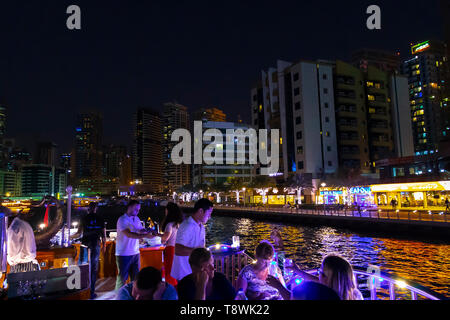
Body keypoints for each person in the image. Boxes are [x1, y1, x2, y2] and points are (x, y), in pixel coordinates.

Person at [171, 198, 213, 282]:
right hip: (184, 272)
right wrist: (199, 252)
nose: (210, 216)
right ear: (201, 211)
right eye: (209, 213)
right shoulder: (186, 226)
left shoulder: (201, 226)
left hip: (194, 271)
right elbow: (178, 250)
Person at [286, 254, 363, 300]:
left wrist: (278, 285)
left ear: (327, 279)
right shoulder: (355, 294)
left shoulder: (323, 296)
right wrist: (299, 272)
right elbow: (321, 281)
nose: (318, 275)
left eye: (321, 272)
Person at [115, 200, 154, 290]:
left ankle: (133, 295)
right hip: (123, 253)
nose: (138, 211)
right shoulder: (122, 220)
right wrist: (145, 236)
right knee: (122, 279)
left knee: (136, 278)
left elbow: (140, 230)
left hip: (135, 252)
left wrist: (150, 232)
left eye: (139, 209)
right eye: (136, 209)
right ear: (130, 207)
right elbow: (129, 234)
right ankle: (119, 296)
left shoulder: (136, 219)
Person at [71, 202, 106, 299]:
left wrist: (69, 237)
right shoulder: (100, 218)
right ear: (96, 208)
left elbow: (78, 233)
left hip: (85, 243)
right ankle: (91, 292)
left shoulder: (84, 218)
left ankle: (82, 290)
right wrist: (104, 246)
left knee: (82, 265)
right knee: (94, 268)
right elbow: (103, 234)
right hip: (96, 244)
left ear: (89, 208)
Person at [160, 202, 183, 286]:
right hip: (176, 249)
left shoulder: (169, 224)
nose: (165, 211)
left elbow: (165, 238)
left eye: (166, 209)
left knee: (169, 272)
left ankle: (170, 290)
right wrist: (159, 235)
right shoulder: (178, 224)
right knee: (174, 271)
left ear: (169, 211)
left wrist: (161, 239)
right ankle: (175, 290)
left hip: (170, 250)